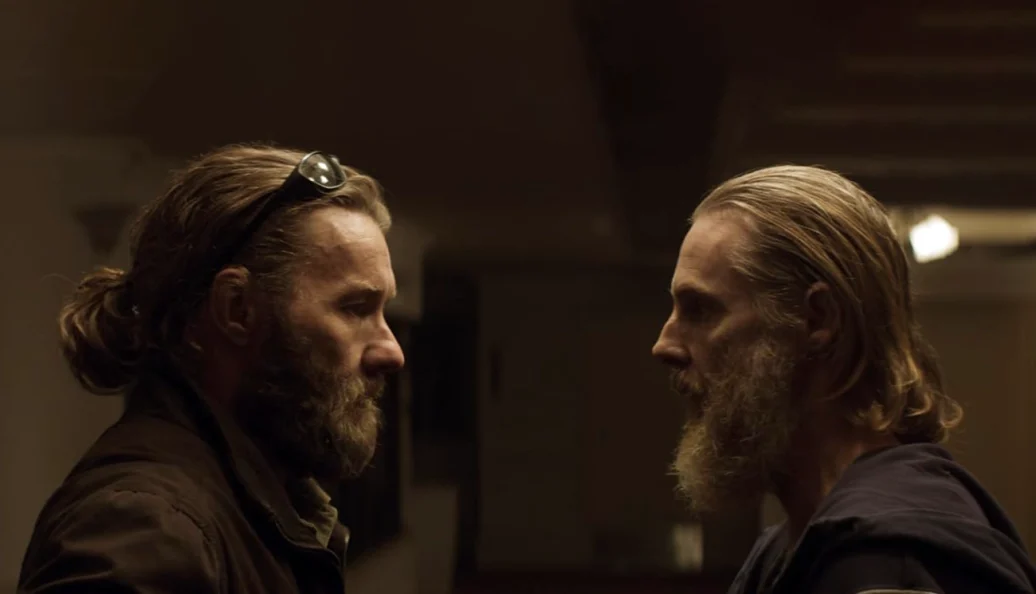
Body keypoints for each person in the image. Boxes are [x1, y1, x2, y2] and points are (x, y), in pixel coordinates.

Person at [18, 144, 406, 593]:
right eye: (355, 308)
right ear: (237, 308)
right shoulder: (145, 526)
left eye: (383, 312)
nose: (392, 351)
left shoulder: (248, 504)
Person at [651, 165, 1036, 594]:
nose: (664, 345)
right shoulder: (796, 547)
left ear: (817, 319)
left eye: (700, 310)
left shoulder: (887, 557)